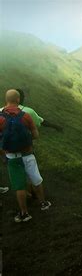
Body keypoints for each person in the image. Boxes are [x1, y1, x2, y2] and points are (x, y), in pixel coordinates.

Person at [0, 89, 50, 222]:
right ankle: (43, 203)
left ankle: (24, 213)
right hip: (28, 154)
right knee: (36, 179)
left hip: (12, 157)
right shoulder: (26, 116)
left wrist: (3, 154)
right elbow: (36, 135)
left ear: (6, 100)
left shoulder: (0, 118)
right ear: (18, 100)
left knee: (19, 185)